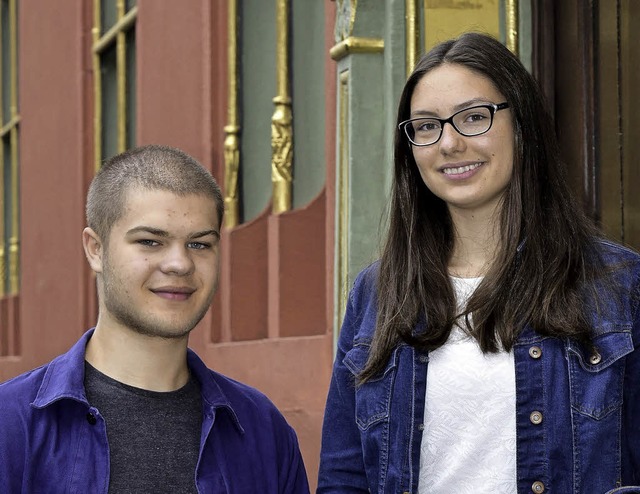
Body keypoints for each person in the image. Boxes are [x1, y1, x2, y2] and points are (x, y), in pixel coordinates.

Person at [317, 32, 640, 494]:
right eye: (426, 126)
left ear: (521, 126)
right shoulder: (376, 293)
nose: (448, 143)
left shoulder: (618, 286)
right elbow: (343, 478)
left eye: (473, 117)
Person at [0, 145, 310, 493]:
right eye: (150, 242)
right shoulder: (11, 425)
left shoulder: (261, 430)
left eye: (199, 244)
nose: (180, 264)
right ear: (95, 249)